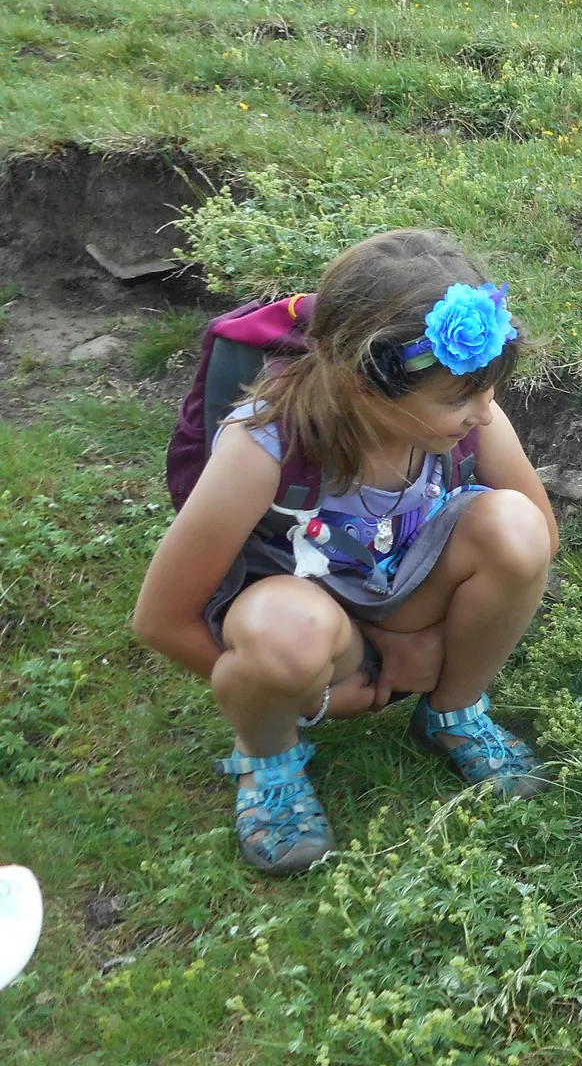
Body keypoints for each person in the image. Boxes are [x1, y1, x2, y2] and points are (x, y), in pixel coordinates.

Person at [132, 229, 559, 876]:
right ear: (368, 385)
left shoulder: (475, 414)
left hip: (403, 600)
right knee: (286, 636)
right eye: (460, 398)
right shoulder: (261, 448)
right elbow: (161, 620)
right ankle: (268, 756)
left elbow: (540, 536)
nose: (484, 412)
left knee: (515, 529)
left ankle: (453, 711)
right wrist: (321, 695)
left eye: (488, 390)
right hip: (306, 615)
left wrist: (435, 637)